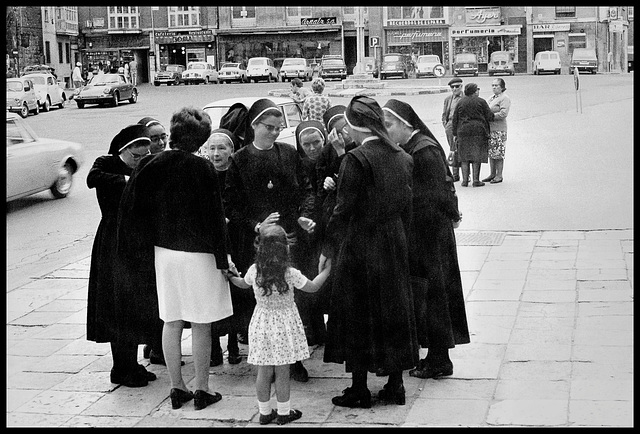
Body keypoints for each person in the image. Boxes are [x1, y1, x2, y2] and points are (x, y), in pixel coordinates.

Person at [118, 106, 233, 411]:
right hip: (198, 255)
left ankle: (176, 387)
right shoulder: (203, 168)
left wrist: (140, 252)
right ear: (201, 138)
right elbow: (214, 219)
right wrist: (224, 260)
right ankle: (203, 389)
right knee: (201, 322)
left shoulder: (149, 165)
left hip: (164, 253)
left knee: (171, 319)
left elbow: (132, 211)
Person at [319, 95, 418, 408]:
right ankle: (395, 384)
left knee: (358, 313)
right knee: (394, 311)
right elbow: (407, 206)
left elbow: (342, 209)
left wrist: (329, 246)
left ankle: (359, 389)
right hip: (393, 239)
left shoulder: (356, 159)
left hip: (361, 243)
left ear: (353, 125)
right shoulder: (402, 156)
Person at [223, 98, 317, 383]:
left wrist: (304, 215)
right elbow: (231, 204)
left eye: (278, 128)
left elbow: (306, 190)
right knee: (262, 303)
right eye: (269, 127)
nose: (275, 133)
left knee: (293, 300)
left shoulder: (288, 153)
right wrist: (256, 226)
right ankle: (267, 361)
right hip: (256, 242)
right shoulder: (239, 159)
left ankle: (294, 360)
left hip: (288, 237)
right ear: (254, 126)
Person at [382, 99, 470, 380]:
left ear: (406, 125)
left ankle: (439, 360)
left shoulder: (424, 151)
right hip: (422, 235)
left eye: (390, 124)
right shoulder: (410, 148)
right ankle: (433, 356)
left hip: (431, 238)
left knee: (435, 297)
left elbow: (435, 196)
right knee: (427, 297)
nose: (386, 129)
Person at [227, 224, 331, 425]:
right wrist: (327, 270)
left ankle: (265, 413)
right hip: (284, 326)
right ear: (286, 248)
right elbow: (314, 287)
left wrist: (231, 275)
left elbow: (242, 284)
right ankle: (284, 412)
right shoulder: (290, 273)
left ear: (260, 248)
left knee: (263, 370)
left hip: (261, 324)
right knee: (283, 370)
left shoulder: (255, 271)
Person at [86, 124, 156, 388]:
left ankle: (131, 363)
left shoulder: (144, 167)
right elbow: (92, 178)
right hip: (112, 241)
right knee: (117, 305)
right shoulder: (106, 163)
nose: (140, 161)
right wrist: (127, 180)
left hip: (136, 242)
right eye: (136, 157)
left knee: (133, 305)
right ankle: (120, 368)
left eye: (144, 156)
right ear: (123, 150)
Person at [199, 129, 243, 367]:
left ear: (232, 151)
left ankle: (234, 345)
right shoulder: (203, 174)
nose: (216, 153)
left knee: (234, 291)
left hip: (235, 238)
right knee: (212, 292)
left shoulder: (237, 173)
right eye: (212, 148)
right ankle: (214, 347)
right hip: (211, 241)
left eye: (221, 148)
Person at [294, 120, 329, 347]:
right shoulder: (297, 165)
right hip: (306, 231)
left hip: (327, 229)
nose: (312, 148)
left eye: (316, 142)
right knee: (308, 279)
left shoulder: (333, 160)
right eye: (306, 144)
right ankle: (313, 327)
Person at [451, 82, 494, 187]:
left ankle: (465, 181)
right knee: (476, 156)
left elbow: (455, 118)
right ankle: (476, 180)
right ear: (474, 91)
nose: (478, 91)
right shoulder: (481, 101)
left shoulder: (460, 102)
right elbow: (489, 116)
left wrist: (454, 133)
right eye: (477, 89)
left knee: (464, 157)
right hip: (478, 131)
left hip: (463, 131)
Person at [483, 78, 511, 184]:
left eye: (496, 86)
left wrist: (490, 116)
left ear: (502, 87)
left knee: (498, 152)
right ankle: (492, 173)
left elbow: (503, 113)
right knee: (492, 152)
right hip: (490, 128)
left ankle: (499, 175)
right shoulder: (491, 98)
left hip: (499, 129)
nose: (494, 87)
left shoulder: (504, 98)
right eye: (493, 85)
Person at [442, 77, 464, 182]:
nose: (455, 89)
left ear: (461, 86)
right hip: (450, 125)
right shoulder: (448, 99)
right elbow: (444, 114)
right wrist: (446, 125)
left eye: (457, 86)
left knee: (462, 149)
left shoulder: (465, 98)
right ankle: (455, 174)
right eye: (452, 87)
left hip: (462, 126)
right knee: (453, 149)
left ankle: (466, 174)